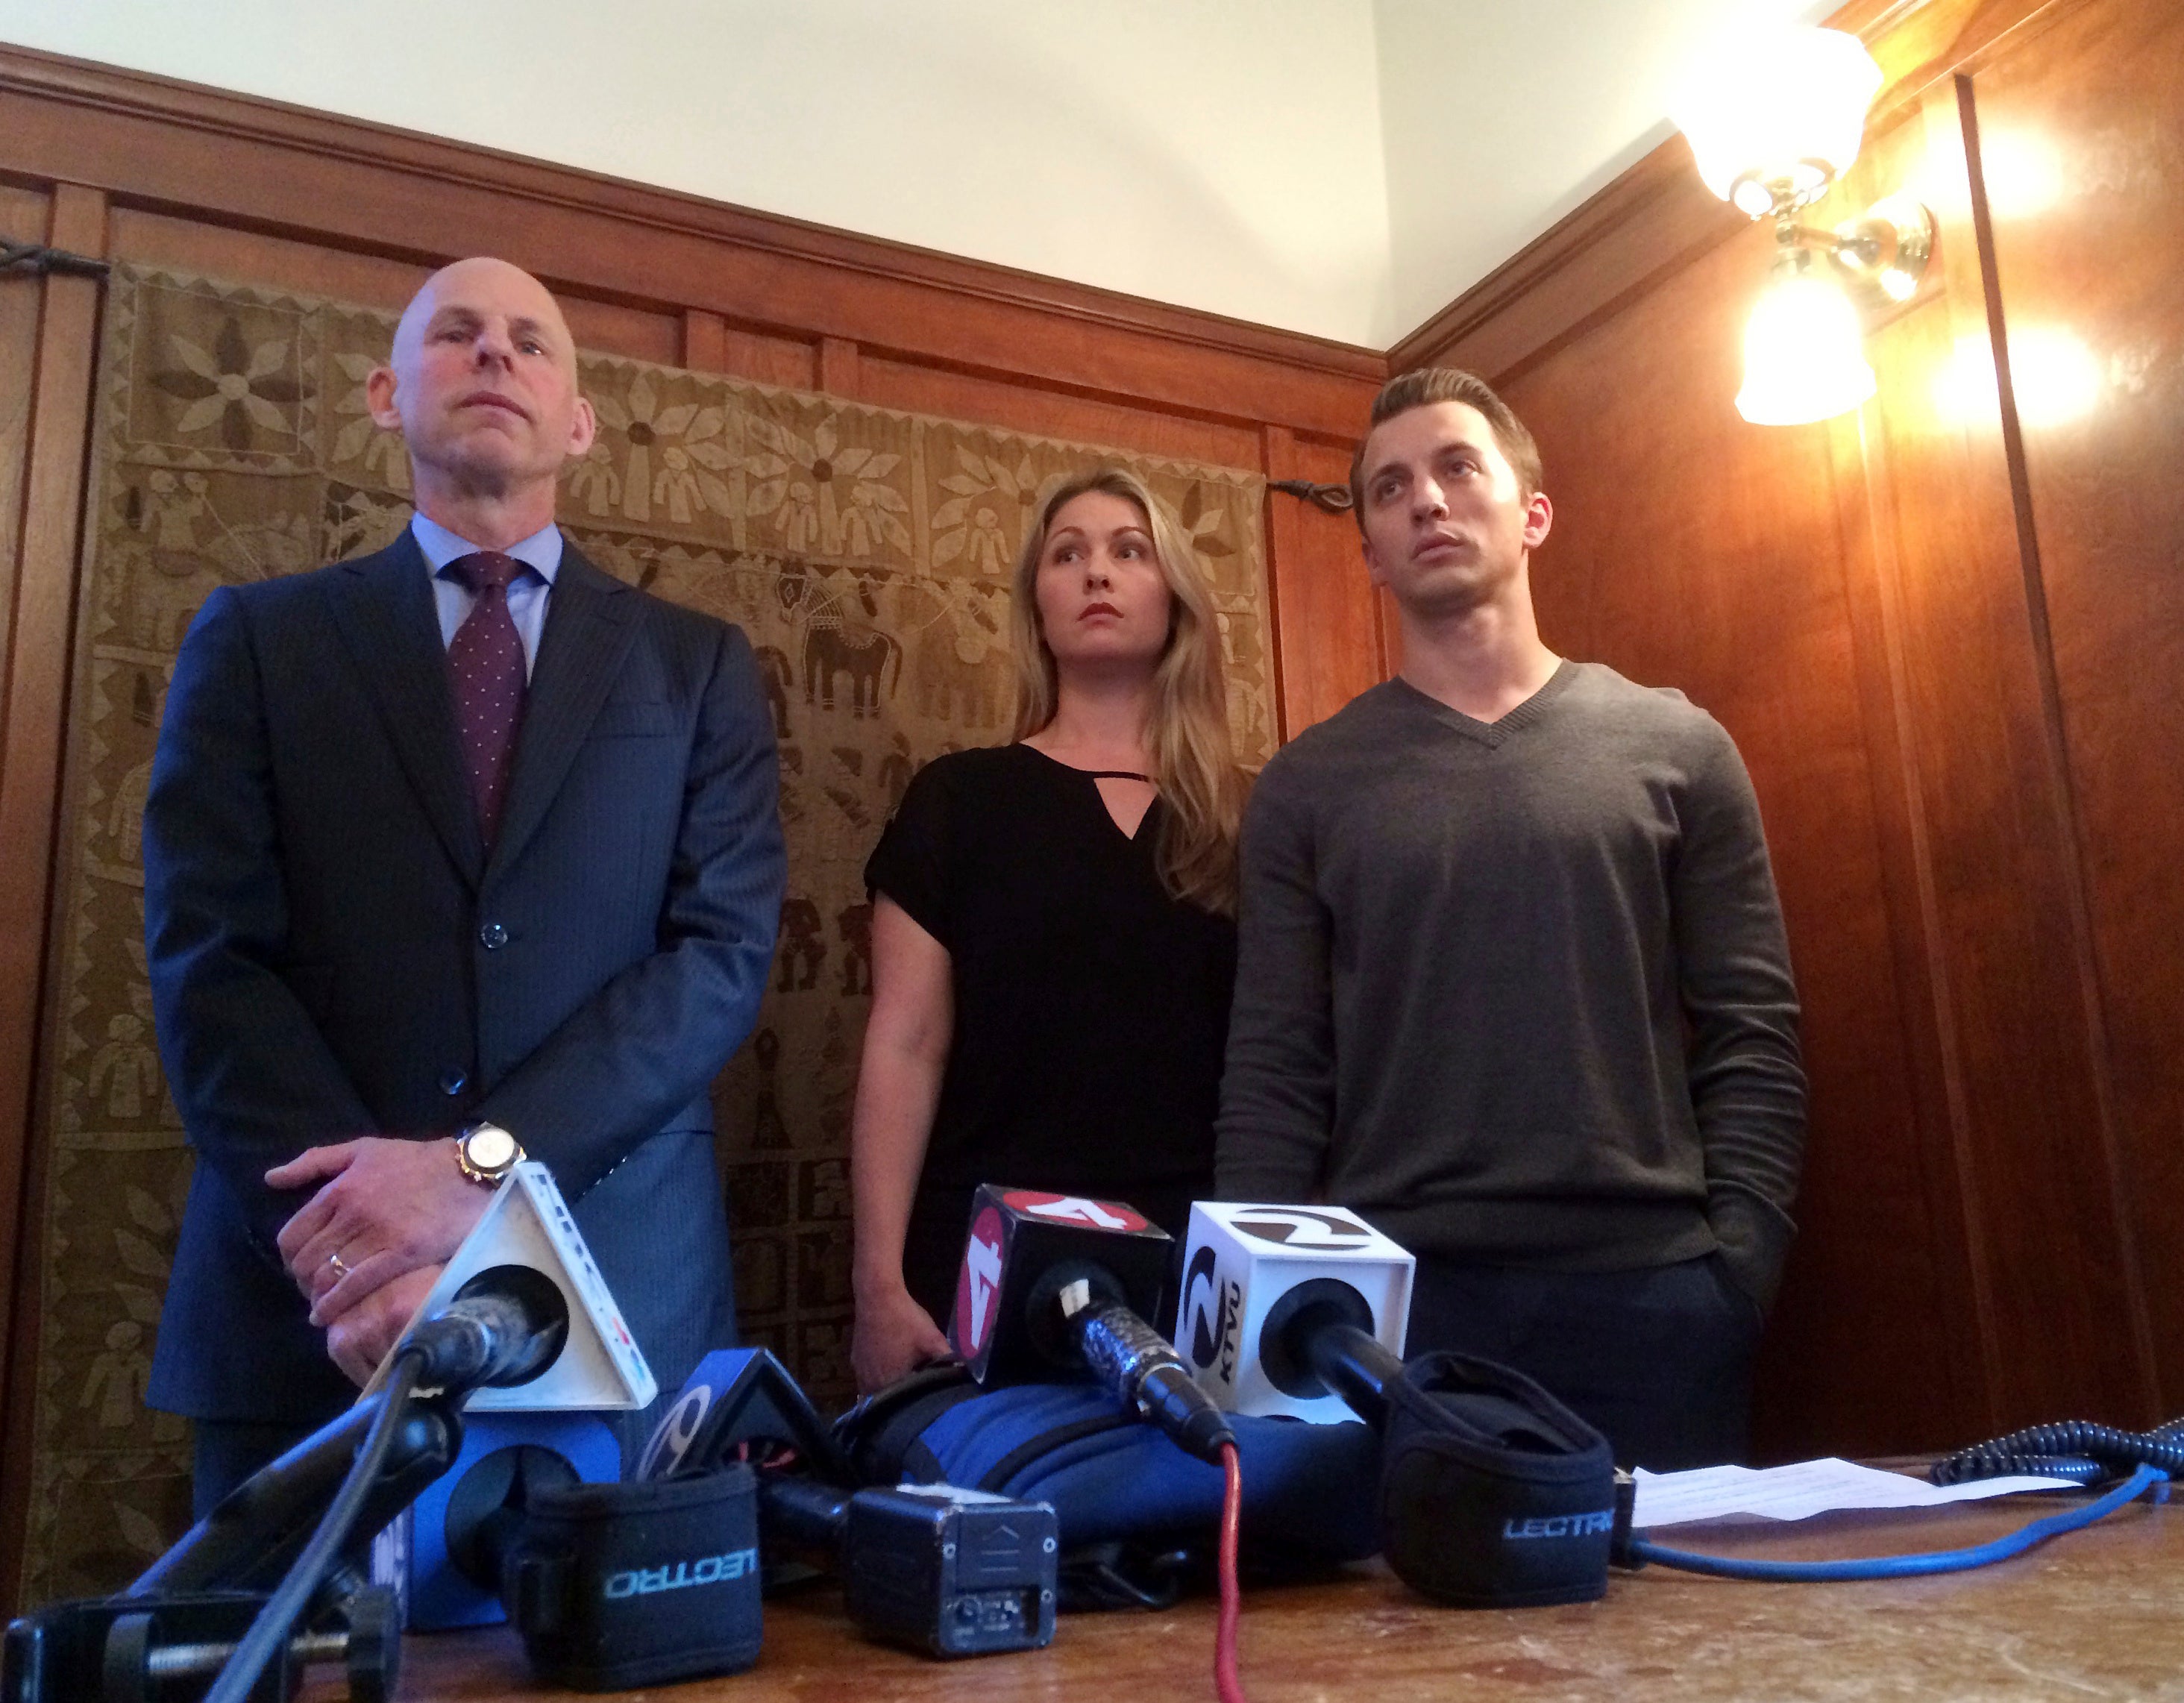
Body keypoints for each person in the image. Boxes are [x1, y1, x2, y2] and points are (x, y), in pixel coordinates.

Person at [142, 257, 785, 1512]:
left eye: (532, 343)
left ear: (579, 423)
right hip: (314, 1306)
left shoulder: (695, 664)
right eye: (458, 333)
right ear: (387, 393)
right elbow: (207, 957)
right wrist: (356, 1232)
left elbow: (718, 957)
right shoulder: (258, 638)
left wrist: (481, 1165)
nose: (496, 356)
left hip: (619, 1303)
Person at [1215, 368, 1805, 1470]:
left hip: (1659, 1302)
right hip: (1400, 1311)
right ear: (1371, 552)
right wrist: (1261, 1315)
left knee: (1679, 1639)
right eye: (1389, 489)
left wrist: (1740, 1272)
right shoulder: (1306, 785)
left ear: (1531, 512)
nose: (1426, 501)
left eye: (1456, 467)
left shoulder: (1679, 747)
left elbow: (1753, 1032)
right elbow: (1275, 1068)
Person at [848, 468, 1246, 1393]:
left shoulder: (1252, 819)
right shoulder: (959, 798)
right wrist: (878, 1284)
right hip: (988, 1259)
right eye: (1067, 554)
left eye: (1128, 550)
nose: (1095, 573)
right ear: (1037, 605)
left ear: (1176, 596)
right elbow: (906, 1046)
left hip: (1200, 1272)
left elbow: (1292, 1072)